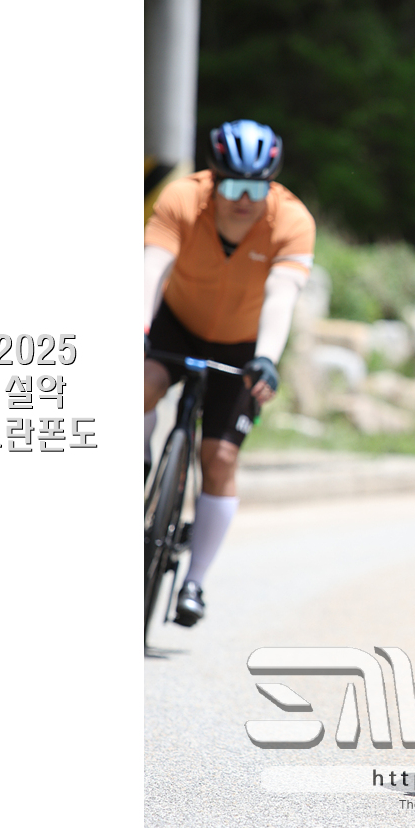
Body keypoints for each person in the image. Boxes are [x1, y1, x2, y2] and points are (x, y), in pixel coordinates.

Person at [144, 119, 316, 627]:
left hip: (244, 343)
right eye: (234, 186)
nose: (244, 199)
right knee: (141, 385)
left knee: (219, 457)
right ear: (213, 180)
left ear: (272, 186)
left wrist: (267, 357)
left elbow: (282, 296)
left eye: (256, 188)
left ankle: (194, 581)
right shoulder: (182, 198)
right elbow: (151, 268)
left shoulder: (293, 221)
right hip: (178, 323)